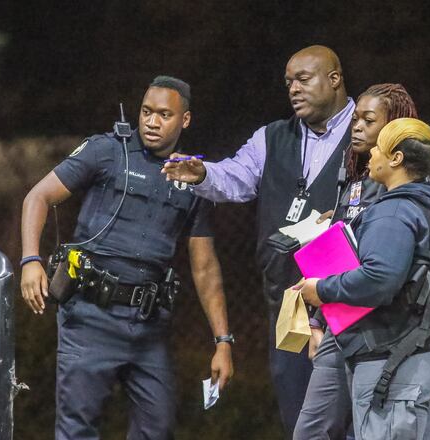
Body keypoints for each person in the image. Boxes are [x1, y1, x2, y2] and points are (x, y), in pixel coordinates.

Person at [20, 76, 234, 440]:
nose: (152, 121)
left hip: (148, 327)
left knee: (158, 427)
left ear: (185, 120)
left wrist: (223, 341)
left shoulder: (193, 175)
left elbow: (205, 266)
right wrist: (30, 260)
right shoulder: (107, 151)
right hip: (91, 317)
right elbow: (38, 197)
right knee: (77, 430)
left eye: (164, 114)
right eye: (146, 112)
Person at [161, 45, 354, 437]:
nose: (293, 90)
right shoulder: (273, 136)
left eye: (303, 79)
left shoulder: (368, 127)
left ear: (334, 79)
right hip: (291, 301)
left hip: (351, 298)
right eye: (288, 83)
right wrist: (202, 175)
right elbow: (236, 177)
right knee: (299, 410)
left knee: (355, 413)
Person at [298, 118, 430, 440]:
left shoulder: (393, 212)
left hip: (397, 361)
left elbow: (379, 279)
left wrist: (321, 289)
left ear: (396, 159)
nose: (372, 152)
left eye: (380, 147)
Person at [294, 83, 419, 440]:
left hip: (382, 327)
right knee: (312, 430)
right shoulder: (351, 177)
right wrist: (318, 322)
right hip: (341, 318)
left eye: (369, 120)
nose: (358, 126)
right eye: (356, 120)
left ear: (394, 127)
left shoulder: (401, 186)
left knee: (370, 430)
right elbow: (339, 252)